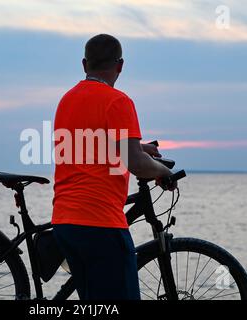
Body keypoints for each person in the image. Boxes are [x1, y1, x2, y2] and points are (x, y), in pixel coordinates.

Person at [51, 34, 175, 300]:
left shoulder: (67, 100)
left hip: (65, 223)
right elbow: (137, 165)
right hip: (100, 223)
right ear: (120, 65)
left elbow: (90, 144)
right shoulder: (118, 101)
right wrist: (164, 172)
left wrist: (140, 148)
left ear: (84, 65)